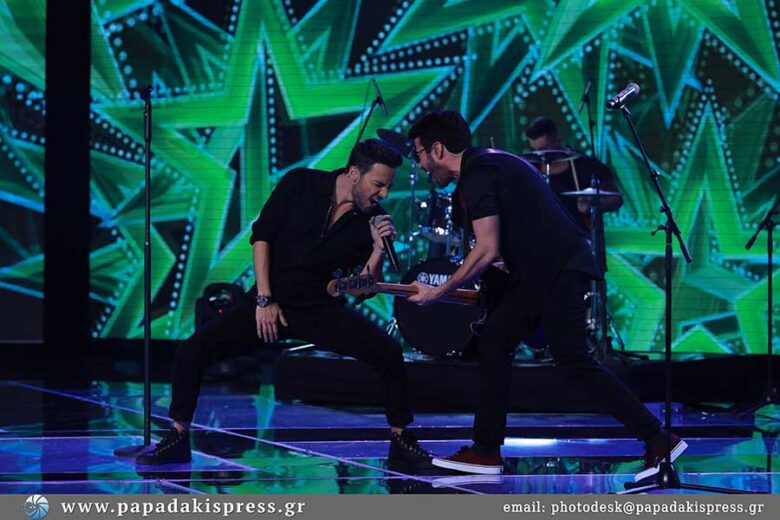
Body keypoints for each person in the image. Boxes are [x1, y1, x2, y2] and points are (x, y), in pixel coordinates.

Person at [406, 110, 686, 481]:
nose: (421, 165)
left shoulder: (478, 174)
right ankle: (486, 451)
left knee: (572, 360)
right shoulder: (490, 166)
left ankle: (658, 438)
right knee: (495, 340)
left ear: (438, 149)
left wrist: (438, 291)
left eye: (420, 154)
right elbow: (510, 241)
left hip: (557, 271)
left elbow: (487, 249)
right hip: (543, 272)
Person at [135, 139, 430, 467]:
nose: (384, 194)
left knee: (387, 352)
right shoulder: (301, 183)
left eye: (388, 187)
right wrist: (264, 299)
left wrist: (376, 250)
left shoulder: (373, 219)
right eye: (378, 184)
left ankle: (401, 441)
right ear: (353, 173)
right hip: (270, 299)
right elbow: (262, 236)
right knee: (192, 351)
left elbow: (361, 290)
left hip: (319, 308)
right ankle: (178, 437)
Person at [525, 116, 622, 233]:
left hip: (580, 237)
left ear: (558, 140)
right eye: (535, 150)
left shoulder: (586, 166)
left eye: (544, 149)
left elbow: (615, 199)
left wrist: (592, 206)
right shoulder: (531, 168)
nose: (540, 155)